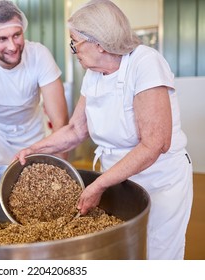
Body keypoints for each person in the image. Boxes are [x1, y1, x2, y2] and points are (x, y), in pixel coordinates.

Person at [15, 0, 193, 260]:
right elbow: (76, 129)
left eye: (75, 41)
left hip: (159, 179)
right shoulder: (94, 74)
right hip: (117, 179)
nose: (73, 49)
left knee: (158, 253)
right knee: (123, 251)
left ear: (98, 43)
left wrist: (98, 185)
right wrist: (34, 149)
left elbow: (155, 144)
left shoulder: (145, 63)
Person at [0, 0, 68, 166]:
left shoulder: (39, 55)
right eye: (2, 39)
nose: (12, 46)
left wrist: (60, 169)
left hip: (32, 134)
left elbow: (60, 120)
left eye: (17, 35)